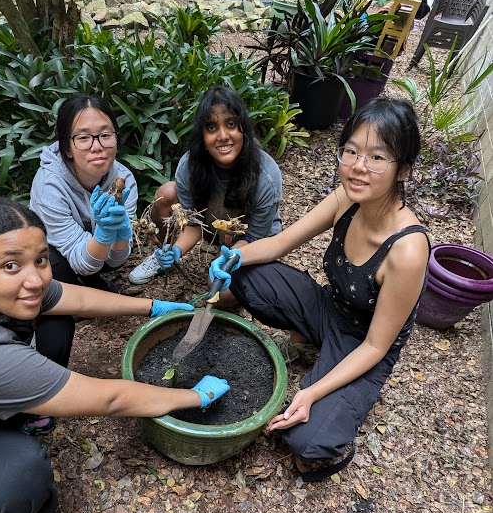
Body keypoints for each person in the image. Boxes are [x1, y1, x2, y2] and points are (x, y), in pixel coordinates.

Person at [0, 199, 229, 513]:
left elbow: (74, 296)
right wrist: (196, 396)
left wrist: (153, 307)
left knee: (54, 318)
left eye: (40, 260)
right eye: (10, 265)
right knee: (22, 472)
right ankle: (21, 508)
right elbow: (111, 400)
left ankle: (26, 410)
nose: (35, 279)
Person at [209, 97, 429, 482]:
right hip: (329, 308)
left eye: (377, 157)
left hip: (363, 344)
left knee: (306, 441)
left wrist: (310, 394)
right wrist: (233, 259)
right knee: (246, 273)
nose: (359, 167)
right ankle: (312, 344)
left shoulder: (408, 250)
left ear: (404, 169)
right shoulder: (347, 197)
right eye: (351, 151)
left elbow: (377, 346)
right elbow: (280, 244)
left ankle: (333, 386)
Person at [127, 86, 283, 305]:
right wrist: (177, 250)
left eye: (230, 124)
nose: (222, 136)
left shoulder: (266, 175)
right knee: (166, 194)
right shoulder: (189, 167)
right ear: (202, 135)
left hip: (252, 239)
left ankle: (258, 277)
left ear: (243, 129)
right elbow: (194, 223)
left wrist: (223, 261)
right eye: (211, 127)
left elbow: (254, 237)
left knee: (219, 291)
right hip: (213, 227)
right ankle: (163, 257)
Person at [30, 94, 136, 368]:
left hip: (93, 255)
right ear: (67, 147)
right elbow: (80, 260)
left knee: (105, 261)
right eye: (83, 138)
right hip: (61, 254)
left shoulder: (124, 180)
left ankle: (92, 286)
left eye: (105, 135)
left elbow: (116, 260)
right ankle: (70, 296)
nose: (97, 147)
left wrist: (121, 234)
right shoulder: (50, 186)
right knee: (53, 263)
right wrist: (103, 235)